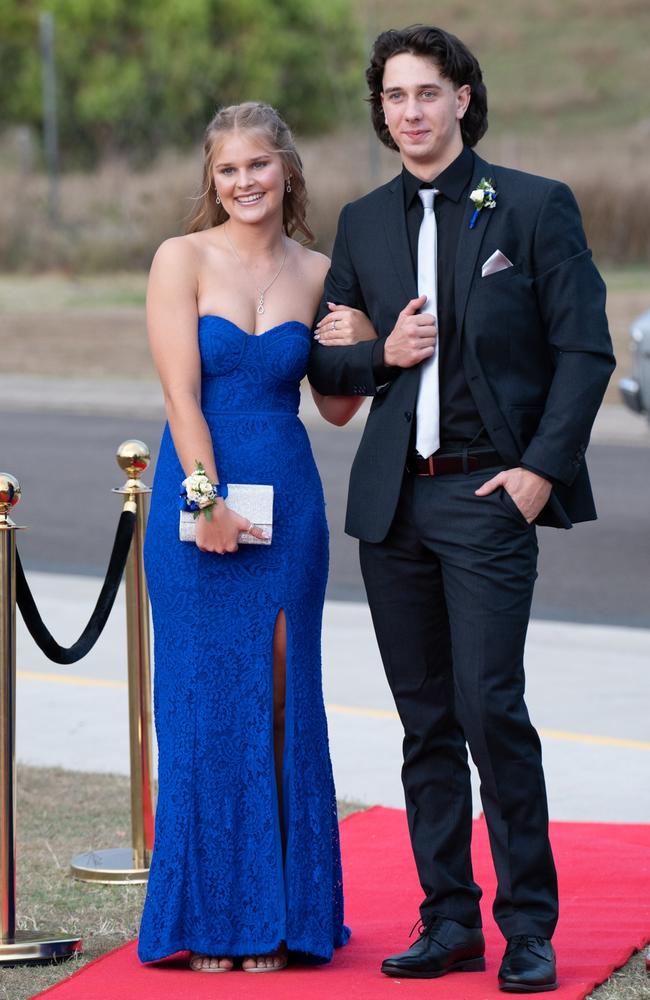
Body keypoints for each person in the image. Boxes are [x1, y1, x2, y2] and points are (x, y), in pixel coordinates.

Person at [308, 25, 615, 993]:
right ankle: (445, 918)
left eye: (427, 93)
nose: (410, 111)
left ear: (462, 99)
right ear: (382, 111)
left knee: (491, 710)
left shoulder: (530, 207)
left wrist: (536, 473)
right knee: (424, 722)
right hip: (394, 506)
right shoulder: (360, 223)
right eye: (394, 96)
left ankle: (526, 923)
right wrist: (377, 356)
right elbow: (327, 368)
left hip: (489, 494)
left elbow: (584, 352)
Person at [137, 101, 375, 973]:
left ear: (287, 172)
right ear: (213, 179)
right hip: (197, 502)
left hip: (290, 507)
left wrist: (364, 341)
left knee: (279, 700)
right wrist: (203, 501)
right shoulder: (182, 259)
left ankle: (284, 916)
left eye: (258, 167)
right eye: (228, 170)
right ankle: (214, 918)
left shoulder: (319, 270)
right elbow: (180, 396)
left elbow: (340, 409)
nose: (244, 183)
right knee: (205, 706)